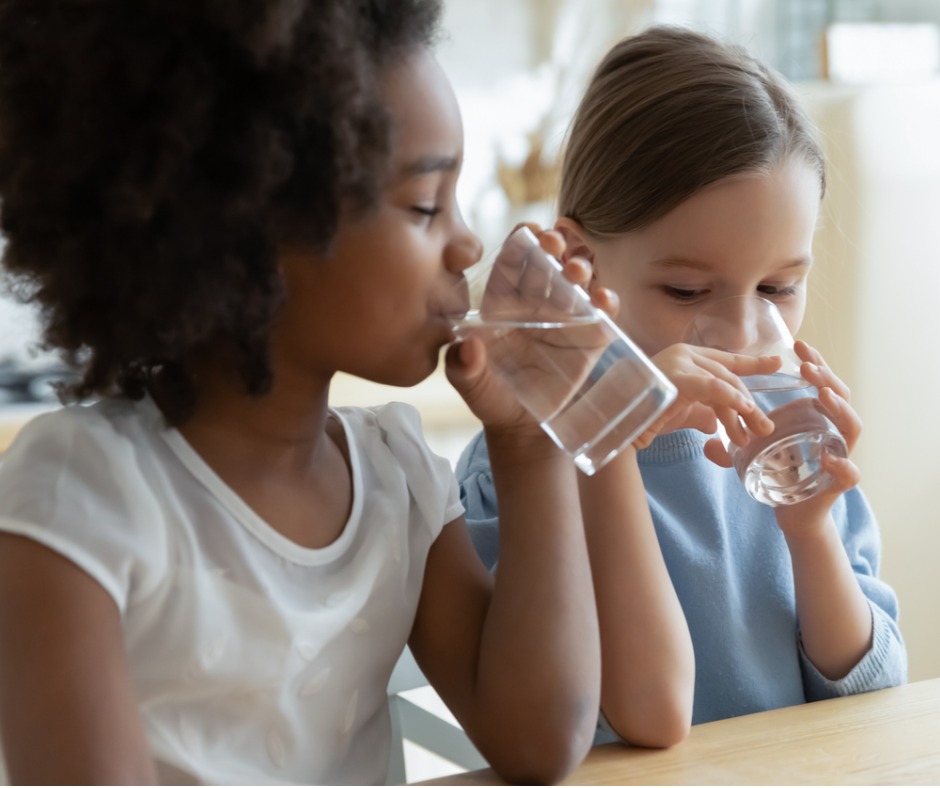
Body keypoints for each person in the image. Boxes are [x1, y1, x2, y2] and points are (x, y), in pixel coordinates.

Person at [0, 1, 607, 784]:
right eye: (425, 206)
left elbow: (540, 743)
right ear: (250, 231)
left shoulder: (397, 475)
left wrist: (530, 441)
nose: (468, 243)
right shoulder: (82, 504)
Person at [458, 25, 907, 746]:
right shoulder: (525, 462)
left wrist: (811, 533)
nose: (740, 332)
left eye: (779, 286)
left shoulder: (790, 451)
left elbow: (872, 697)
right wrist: (608, 423)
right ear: (581, 264)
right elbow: (644, 714)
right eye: (689, 290)